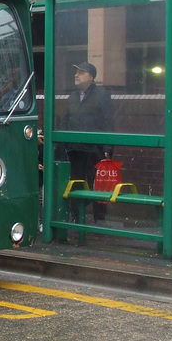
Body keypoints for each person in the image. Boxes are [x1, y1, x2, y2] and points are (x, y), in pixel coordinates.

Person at [64, 62, 113, 222]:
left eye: (81, 72)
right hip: (75, 148)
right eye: (76, 72)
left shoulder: (101, 94)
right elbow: (67, 120)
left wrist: (108, 147)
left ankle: (99, 219)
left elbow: (108, 121)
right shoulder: (72, 96)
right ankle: (76, 216)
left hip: (95, 148)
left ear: (91, 77)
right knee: (76, 182)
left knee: (96, 183)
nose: (76, 75)